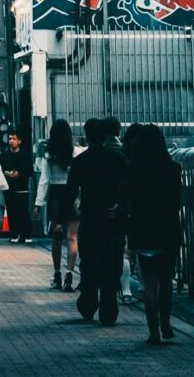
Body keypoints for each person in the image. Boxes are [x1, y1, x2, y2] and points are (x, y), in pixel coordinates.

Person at [123, 123, 185, 344]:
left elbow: (126, 199)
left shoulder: (132, 168)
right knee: (166, 279)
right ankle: (166, 324)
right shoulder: (173, 168)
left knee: (149, 282)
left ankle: (153, 332)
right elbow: (177, 202)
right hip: (168, 227)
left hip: (143, 228)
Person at [67, 116, 131, 325]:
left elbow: (70, 193)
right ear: (106, 136)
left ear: (86, 136)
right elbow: (128, 189)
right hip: (112, 221)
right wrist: (119, 206)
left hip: (90, 219)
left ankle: (88, 302)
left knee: (89, 264)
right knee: (112, 265)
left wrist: (63, 217)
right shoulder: (119, 160)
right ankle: (108, 308)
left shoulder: (79, 162)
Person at [38, 118, 79, 291]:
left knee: (56, 236)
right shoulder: (76, 152)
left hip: (55, 197)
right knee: (72, 237)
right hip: (73, 196)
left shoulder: (49, 155)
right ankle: (70, 275)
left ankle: (57, 274)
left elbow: (44, 181)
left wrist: (38, 203)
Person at [0, 128, 35, 239]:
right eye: (10, 139)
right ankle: (14, 234)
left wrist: (19, 174)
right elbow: (0, 169)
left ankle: (26, 234)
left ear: (19, 141)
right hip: (9, 188)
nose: (11, 141)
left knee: (23, 212)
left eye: (14, 139)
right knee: (11, 212)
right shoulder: (4, 155)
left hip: (22, 188)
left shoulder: (25, 156)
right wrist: (5, 172)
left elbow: (29, 171)